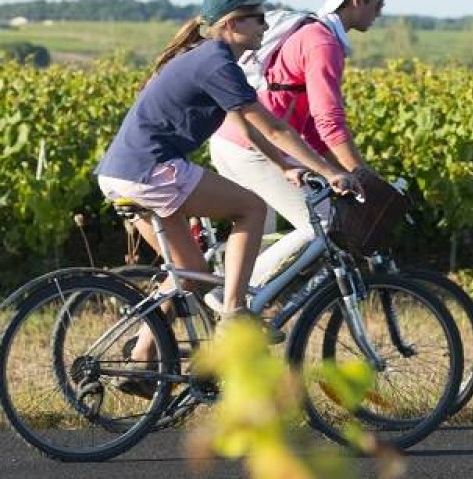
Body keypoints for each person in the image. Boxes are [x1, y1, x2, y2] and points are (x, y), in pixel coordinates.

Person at [94, 0, 357, 366]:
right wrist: (331, 171)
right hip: (150, 171)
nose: (266, 27)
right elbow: (275, 127)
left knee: (190, 274)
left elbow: (248, 125)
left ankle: (140, 359)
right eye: (259, 19)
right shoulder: (216, 61)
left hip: (123, 173)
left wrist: (283, 167)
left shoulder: (211, 58)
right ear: (233, 23)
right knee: (250, 208)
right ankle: (234, 313)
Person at [207, 0, 385, 302]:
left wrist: (337, 171)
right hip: (253, 148)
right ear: (356, 2)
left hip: (232, 140)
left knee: (259, 242)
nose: (381, 11)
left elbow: (313, 128)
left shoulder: (310, 32)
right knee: (327, 223)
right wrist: (365, 178)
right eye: (379, 3)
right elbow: (329, 120)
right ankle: (227, 295)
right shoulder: (322, 42)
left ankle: (233, 321)